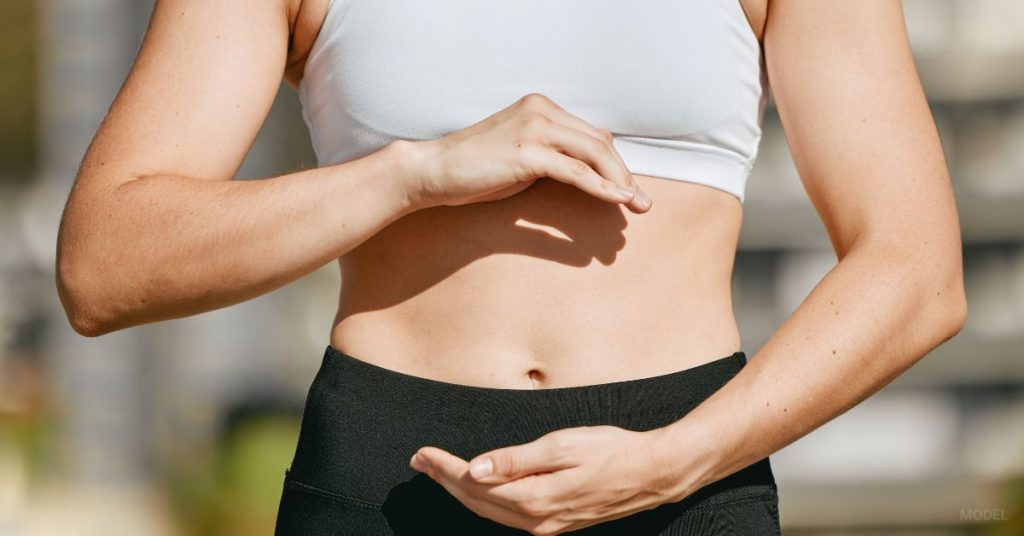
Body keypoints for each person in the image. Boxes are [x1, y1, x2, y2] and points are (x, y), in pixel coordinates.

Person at [55, 0, 967, 534]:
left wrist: (677, 461)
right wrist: (414, 173)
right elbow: (105, 262)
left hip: (683, 482)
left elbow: (916, 268)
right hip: (387, 480)